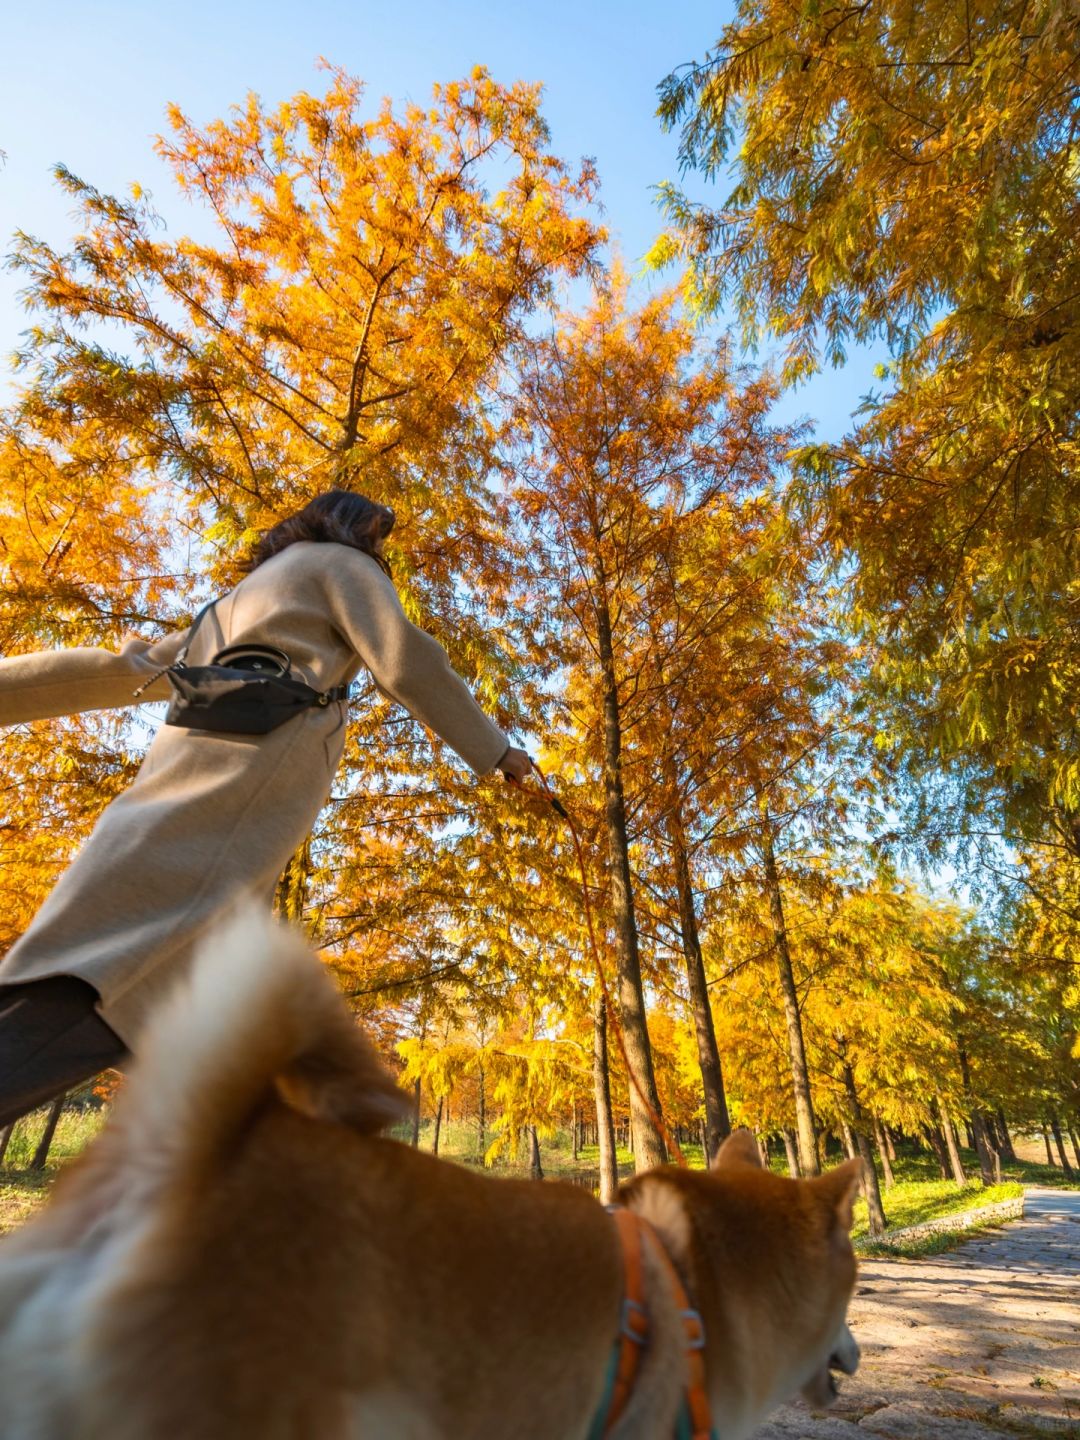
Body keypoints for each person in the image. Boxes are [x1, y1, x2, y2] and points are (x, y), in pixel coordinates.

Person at [0, 490, 530, 1129]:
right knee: (106, 986)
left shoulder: (233, 602)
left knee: (148, 988)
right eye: (379, 536)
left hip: (173, 793)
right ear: (351, 527)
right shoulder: (342, 565)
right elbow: (405, 659)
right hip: (235, 804)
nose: (380, 550)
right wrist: (499, 752)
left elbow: (126, 667)